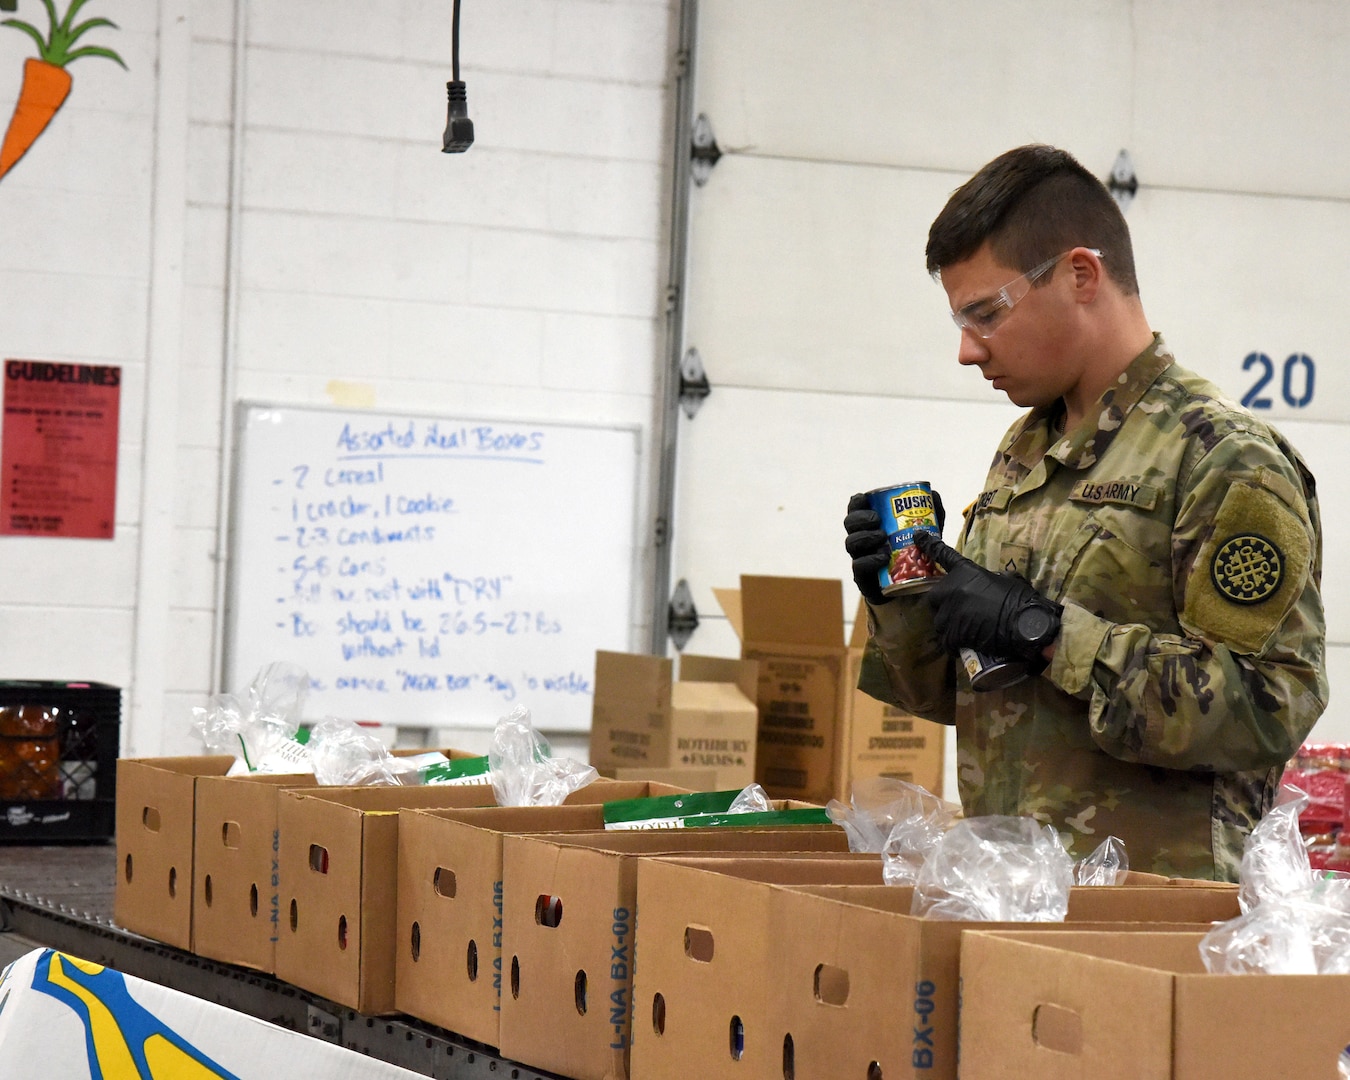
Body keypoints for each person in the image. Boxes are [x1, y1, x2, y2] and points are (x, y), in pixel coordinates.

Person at [844, 144, 1327, 881]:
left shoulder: (1221, 458)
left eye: (986, 314)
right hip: (1015, 897)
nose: (969, 351)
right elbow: (973, 700)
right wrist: (905, 592)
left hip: (1151, 918)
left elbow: (1268, 706)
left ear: (1080, 275)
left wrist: (1042, 631)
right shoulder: (1027, 450)